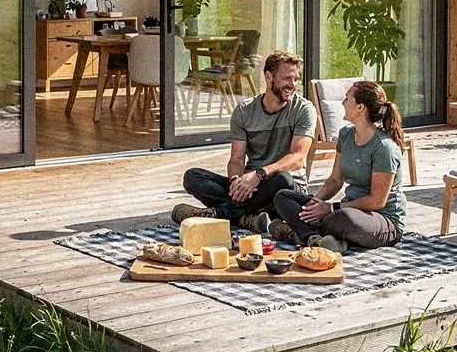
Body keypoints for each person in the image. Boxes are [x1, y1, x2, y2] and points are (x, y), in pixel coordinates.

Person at [172, 50, 317, 230]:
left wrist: (259, 175)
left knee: (282, 179)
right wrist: (236, 183)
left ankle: (219, 214)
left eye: (295, 79)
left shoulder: (303, 109)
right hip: (252, 187)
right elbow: (237, 159)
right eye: (287, 78)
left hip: (284, 191)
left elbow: (298, 158)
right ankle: (246, 217)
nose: (292, 85)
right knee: (193, 176)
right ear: (269, 77)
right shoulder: (245, 111)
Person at [272, 79, 406, 251]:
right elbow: (335, 180)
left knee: (342, 218)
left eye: (347, 98)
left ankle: (295, 233)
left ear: (360, 108)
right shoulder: (345, 135)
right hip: (348, 207)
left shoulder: (384, 147)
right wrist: (316, 202)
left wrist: (331, 208)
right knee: (283, 197)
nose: (342, 102)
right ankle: (315, 239)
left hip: (382, 220)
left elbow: (377, 201)